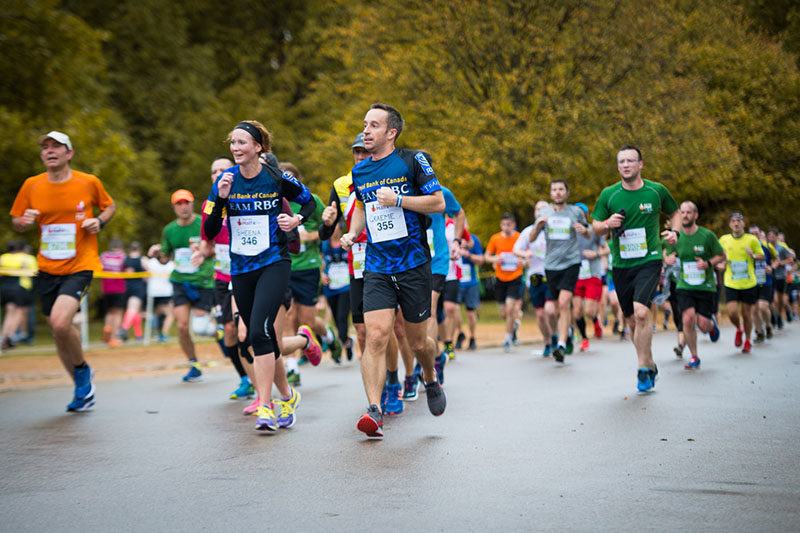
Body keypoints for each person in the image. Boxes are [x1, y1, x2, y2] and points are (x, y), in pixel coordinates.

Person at [340, 103, 446, 438]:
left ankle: (429, 377)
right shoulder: (360, 172)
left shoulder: (413, 160)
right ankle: (374, 409)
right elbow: (363, 206)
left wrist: (399, 200)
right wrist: (352, 231)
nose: (366, 131)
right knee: (375, 335)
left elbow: (438, 202)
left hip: (413, 263)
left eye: (373, 125)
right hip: (377, 265)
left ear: (391, 132)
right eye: (364, 124)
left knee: (417, 344)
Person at [204, 120, 316, 431]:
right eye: (232, 143)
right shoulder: (225, 182)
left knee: (258, 331)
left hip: (274, 262)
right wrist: (221, 201)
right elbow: (210, 231)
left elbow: (309, 202)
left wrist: (295, 220)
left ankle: (265, 406)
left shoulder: (276, 177)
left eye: (241, 143)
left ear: (258, 147)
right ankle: (286, 396)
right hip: (240, 268)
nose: (235, 148)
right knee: (261, 337)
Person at [10, 131, 116, 411]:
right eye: (45, 147)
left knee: (59, 322)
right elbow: (16, 221)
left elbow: (109, 206)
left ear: (69, 153)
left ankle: (81, 371)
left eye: (56, 146)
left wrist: (99, 222)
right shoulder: (32, 185)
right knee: (58, 331)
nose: (49, 150)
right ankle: (82, 390)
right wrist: (24, 221)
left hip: (80, 264)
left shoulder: (88, 182)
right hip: (47, 267)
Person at [591, 145, 679, 392]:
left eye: (630, 161)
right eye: (621, 162)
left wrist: (675, 232)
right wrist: (607, 223)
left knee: (642, 313)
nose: (625, 165)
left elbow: (675, 213)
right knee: (630, 321)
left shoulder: (656, 191)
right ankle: (649, 362)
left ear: (640, 164)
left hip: (649, 260)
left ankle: (641, 368)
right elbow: (595, 227)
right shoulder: (609, 194)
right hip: (621, 265)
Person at [200, 156, 254, 400]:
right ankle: (245, 378)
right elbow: (206, 244)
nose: (218, 174)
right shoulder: (208, 206)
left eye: (223, 169)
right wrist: (198, 252)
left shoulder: (244, 199)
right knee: (229, 331)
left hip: (244, 272)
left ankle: (259, 374)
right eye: (214, 171)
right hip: (222, 276)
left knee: (245, 330)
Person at [280, 162, 339, 383]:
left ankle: (329, 337)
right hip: (284, 266)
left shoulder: (310, 201)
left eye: (290, 179)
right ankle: (293, 367)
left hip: (308, 267)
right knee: (288, 316)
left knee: (308, 321)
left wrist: (309, 235)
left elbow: (328, 228)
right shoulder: (274, 200)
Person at [149, 189, 216, 382]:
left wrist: (202, 251)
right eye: (179, 203)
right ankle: (193, 364)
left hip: (203, 280)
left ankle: (218, 334)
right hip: (180, 281)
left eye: (186, 202)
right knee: (182, 326)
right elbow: (165, 258)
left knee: (201, 327)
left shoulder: (202, 223)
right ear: (174, 207)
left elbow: (216, 248)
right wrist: (157, 253)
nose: (183, 206)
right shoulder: (169, 230)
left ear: (192, 204)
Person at [529, 180, 589, 362]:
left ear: (567, 192)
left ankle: (561, 345)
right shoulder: (544, 213)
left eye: (561, 189)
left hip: (571, 262)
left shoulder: (575, 212)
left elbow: (588, 232)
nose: (557, 193)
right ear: (551, 193)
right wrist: (538, 226)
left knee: (564, 302)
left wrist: (583, 230)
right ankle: (567, 333)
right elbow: (532, 238)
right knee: (555, 309)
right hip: (551, 265)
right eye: (554, 190)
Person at [664, 202, 724, 368]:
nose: (685, 215)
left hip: (705, 286)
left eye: (688, 212)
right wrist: (667, 259)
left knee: (703, 325)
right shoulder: (676, 237)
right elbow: (667, 254)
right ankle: (694, 356)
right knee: (688, 319)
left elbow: (721, 255)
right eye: (682, 212)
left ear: (695, 215)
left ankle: (711, 326)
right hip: (684, 285)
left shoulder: (707, 236)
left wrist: (707, 264)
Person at [514, 200, 557, 356]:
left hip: (552, 275)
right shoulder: (528, 232)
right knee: (540, 315)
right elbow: (516, 249)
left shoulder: (554, 229)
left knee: (550, 311)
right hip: (535, 277)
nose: (540, 211)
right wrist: (525, 254)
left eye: (543, 209)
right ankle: (547, 341)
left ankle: (555, 335)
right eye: (538, 209)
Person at [719, 212, 764, 354]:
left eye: (739, 220)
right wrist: (721, 263)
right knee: (732, 312)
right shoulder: (724, 240)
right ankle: (739, 328)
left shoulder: (751, 239)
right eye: (733, 221)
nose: (736, 223)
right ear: (730, 224)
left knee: (746, 313)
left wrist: (753, 255)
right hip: (731, 281)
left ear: (743, 223)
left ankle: (748, 340)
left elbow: (762, 256)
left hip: (748, 282)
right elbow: (719, 256)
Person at [485, 213, 525, 352]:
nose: (506, 227)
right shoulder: (495, 238)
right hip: (500, 278)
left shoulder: (519, 237)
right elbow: (487, 257)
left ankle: (507, 339)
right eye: (504, 225)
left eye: (509, 225)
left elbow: (527, 258)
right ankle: (514, 326)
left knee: (510, 308)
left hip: (515, 277)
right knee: (504, 312)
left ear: (513, 225)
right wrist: (494, 259)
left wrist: (523, 261)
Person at [573, 202, 609, 352]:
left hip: (592, 274)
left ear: (586, 215)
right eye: (576, 213)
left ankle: (595, 320)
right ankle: (585, 339)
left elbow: (606, 250)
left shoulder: (594, 230)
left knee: (589, 311)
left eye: (582, 213)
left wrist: (596, 254)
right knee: (577, 312)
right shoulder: (570, 231)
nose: (579, 216)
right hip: (576, 275)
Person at [0, 241, 37, 349]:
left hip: (5, 287)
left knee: (9, 312)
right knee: (20, 312)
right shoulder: (26, 258)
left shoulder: (3, 258)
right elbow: (34, 273)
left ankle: (3, 337)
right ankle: (10, 337)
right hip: (21, 287)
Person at [748, 225, 776, 343]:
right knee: (754, 310)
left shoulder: (767, 246)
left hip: (765, 280)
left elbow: (776, 259)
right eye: (751, 234)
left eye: (756, 233)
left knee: (763, 306)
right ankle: (759, 332)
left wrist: (771, 267)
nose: (754, 236)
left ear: (760, 234)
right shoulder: (746, 247)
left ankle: (768, 325)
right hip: (752, 282)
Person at [457, 231, 484, 351]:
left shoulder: (474, 239)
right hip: (456, 281)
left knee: (470, 312)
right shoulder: (450, 237)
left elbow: (481, 259)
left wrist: (468, 255)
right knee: (453, 309)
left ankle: (472, 338)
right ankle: (460, 333)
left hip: (471, 282)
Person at [99, 238, 126, 347]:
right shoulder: (122, 256)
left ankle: (107, 330)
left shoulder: (103, 256)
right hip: (119, 288)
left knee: (109, 312)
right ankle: (114, 337)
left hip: (106, 288)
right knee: (117, 313)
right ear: (120, 246)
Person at [767, 227, 793, 329]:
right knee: (774, 299)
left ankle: (779, 316)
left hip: (781, 276)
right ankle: (774, 315)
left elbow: (790, 259)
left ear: (777, 237)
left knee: (781, 300)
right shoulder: (766, 247)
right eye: (769, 236)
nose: (771, 238)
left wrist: (780, 263)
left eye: (773, 236)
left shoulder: (781, 248)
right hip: (771, 276)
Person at [145, 251, 175, 342]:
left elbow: (144, 262)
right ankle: (163, 334)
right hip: (166, 292)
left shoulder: (152, 263)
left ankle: (156, 332)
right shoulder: (171, 264)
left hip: (154, 291)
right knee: (170, 314)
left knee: (158, 313)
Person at [121, 241, 147, 341]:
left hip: (126, 286)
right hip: (138, 287)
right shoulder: (142, 259)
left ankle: (139, 334)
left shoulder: (125, 259)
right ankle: (124, 328)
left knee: (136, 311)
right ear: (139, 249)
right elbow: (149, 271)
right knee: (133, 309)